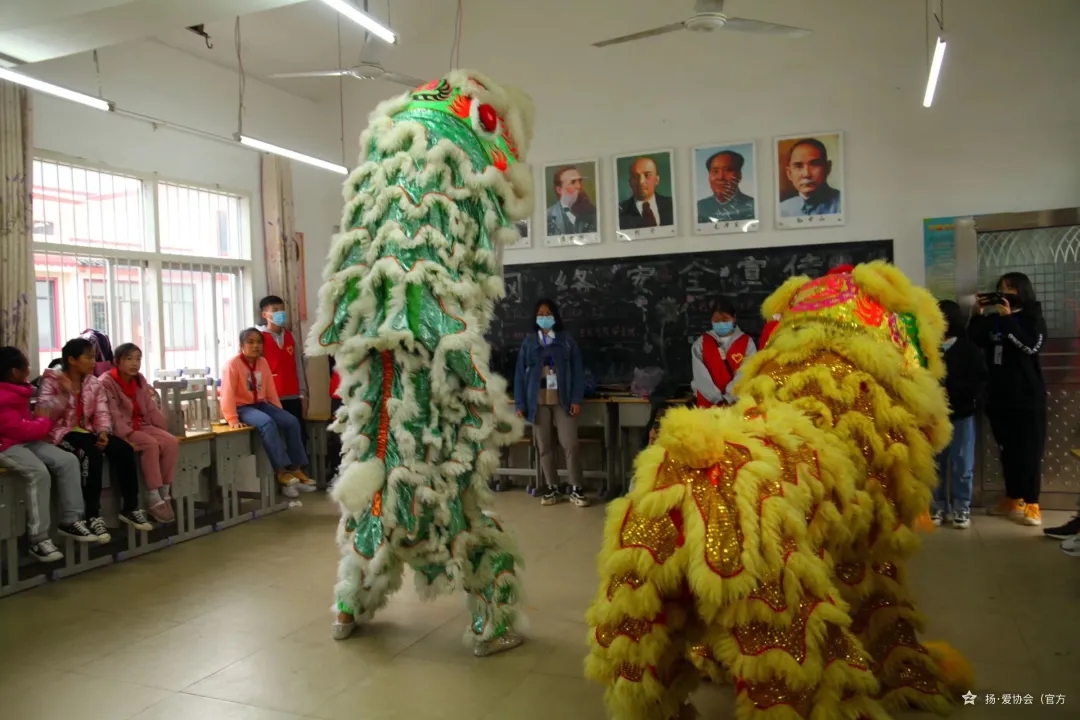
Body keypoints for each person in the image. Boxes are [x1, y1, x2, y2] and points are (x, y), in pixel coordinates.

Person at [38, 338, 153, 540]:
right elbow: (45, 414)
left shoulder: (92, 382)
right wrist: (64, 392)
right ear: (72, 360)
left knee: (124, 449)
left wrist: (103, 432)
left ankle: (130, 508)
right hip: (60, 433)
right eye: (88, 357)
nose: (94, 362)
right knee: (91, 455)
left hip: (88, 431)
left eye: (94, 357)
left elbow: (101, 411)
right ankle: (92, 516)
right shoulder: (52, 381)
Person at [969, 272, 1047, 526]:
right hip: (999, 397)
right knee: (1008, 451)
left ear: (1022, 291)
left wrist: (1008, 319)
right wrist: (978, 314)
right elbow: (975, 341)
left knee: (1029, 452)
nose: (1004, 293)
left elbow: (1031, 346)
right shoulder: (995, 320)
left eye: (1010, 288)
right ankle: (1013, 498)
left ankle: (1032, 503)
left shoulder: (1032, 317)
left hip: (1027, 398)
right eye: (1001, 288)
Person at [0, 346, 89, 561]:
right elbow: (23, 429)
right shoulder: (2, 398)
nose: (29, 370)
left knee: (68, 460)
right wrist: (44, 420)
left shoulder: (19, 389)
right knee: (38, 473)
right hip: (6, 445)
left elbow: (42, 403)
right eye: (26, 366)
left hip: (25, 440)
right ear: (14, 371)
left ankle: (70, 520)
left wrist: (59, 386)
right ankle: (38, 539)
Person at [221, 328, 314, 498]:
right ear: (241, 345)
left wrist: (279, 411)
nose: (255, 346)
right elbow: (226, 394)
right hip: (243, 408)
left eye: (259, 342)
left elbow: (270, 389)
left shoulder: (262, 362)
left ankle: (296, 468)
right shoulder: (232, 365)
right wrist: (232, 418)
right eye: (250, 342)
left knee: (292, 421)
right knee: (267, 423)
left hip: (261, 404)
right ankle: (281, 471)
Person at [513, 298, 588, 507]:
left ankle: (576, 488)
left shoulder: (566, 340)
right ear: (535, 318)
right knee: (544, 446)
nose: (544, 317)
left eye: (548, 314)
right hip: (537, 402)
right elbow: (519, 374)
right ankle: (552, 487)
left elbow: (578, 372)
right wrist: (520, 404)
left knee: (570, 444)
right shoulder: (529, 342)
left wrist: (576, 399)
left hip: (563, 400)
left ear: (555, 316)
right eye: (540, 314)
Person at [99, 343, 178, 524]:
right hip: (122, 429)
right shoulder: (106, 382)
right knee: (151, 444)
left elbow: (150, 408)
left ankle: (165, 491)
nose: (135, 363)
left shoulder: (139, 380)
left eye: (138, 359)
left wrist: (161, 428)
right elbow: (113, 415)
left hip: (141, 424)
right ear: (117, 361)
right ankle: (153, 495)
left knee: (171, 442)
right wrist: (125, 436)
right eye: (129, 359)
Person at [931, 301, 988, 529]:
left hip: (961, 416)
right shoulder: (928, 350)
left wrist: (956, 393)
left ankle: (961, 507)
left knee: (962, 465)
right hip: (934, 417)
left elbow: (979, 382)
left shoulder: (968, 350)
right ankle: (937, 506)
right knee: (936, 465)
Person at [691, 298, 757, 408]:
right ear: (711, 320)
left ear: (734, 318)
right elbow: (700, 374)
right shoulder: (701, 343)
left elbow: (747, 372)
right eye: (716, 320)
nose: (721, 323)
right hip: (708, 404)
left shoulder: (747, 342)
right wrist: (716, 398)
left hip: (738, 403)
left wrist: (729, 397)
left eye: (725, 319)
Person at [257, 295, 307, 429]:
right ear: (264, 315)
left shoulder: (290, 336)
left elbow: (299, 366)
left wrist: (302, 393)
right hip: (271, 398)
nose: (280, 313)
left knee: (297, 431)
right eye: (275, 310)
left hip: (293, 395)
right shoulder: (260, 338)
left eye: (282, 310)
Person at [778, 138, 842, 217]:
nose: (806, 174)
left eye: (814, 164)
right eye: (798, 166)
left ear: (828, 168)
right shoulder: (782, 210)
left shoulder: (844, 204)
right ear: (789, 173)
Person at [696, 150, 755, 223]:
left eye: (728, 170)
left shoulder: (753, 206)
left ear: (739, 175)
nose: (720, 177)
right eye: (715, 171)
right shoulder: (699, 207)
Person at [618, 156, 674, 229]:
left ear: (657, 180)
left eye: (647, 175)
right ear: (630, 181)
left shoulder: (672, 205)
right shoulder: (619, 212)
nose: (641, 182)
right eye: (635, 176)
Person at [545, 165, 597, 236]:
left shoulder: (592, 213)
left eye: (580, 181)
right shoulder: (548, 216)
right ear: (559, 190)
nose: (579, 186)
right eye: (573, 182)